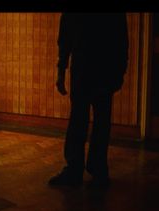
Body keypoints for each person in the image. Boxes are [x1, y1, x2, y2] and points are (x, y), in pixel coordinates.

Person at [48, 13, 128, 187]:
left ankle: (75, 169)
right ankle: (97, 169)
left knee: (78, 120)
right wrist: (120, 71)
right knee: (100, 121)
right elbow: (121, 38)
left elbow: (66, 34)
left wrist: (62, 69)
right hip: (104, 67)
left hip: (83, 66)